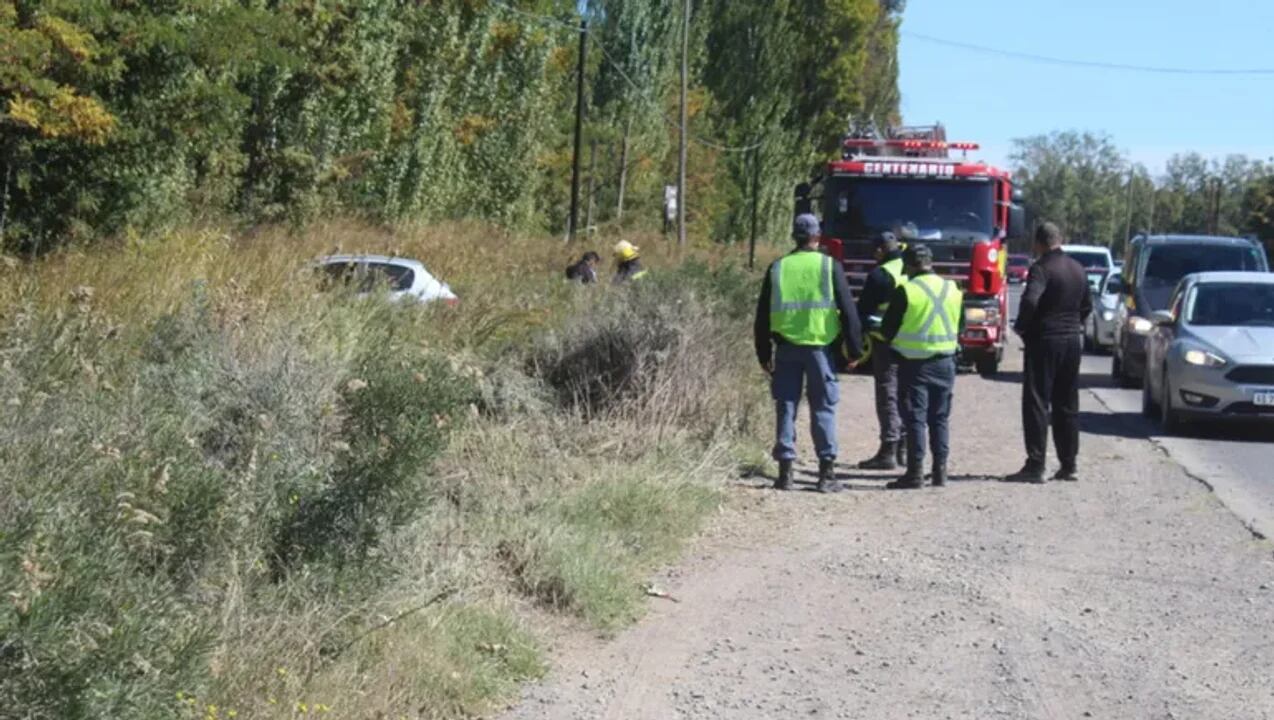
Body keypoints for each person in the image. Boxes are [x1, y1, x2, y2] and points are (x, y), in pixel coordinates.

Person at [754, 214, 864, 493]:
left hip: (786, 348)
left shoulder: (778, 267)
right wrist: (854, 349)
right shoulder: (829, 266)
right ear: (817, 236)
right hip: (819, 349)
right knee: (823, 408)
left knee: (786, 407)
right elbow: (849, 311)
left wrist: (763, 352)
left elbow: (763, 315)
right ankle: (826, 475)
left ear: (795, 236)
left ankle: (785, 474)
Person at [1008, 222, 1092, 483]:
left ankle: (1036, 465)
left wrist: (1022, 327)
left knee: (1036, 402)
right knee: (1067, 403)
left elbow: (1031, 299)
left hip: (1045, 340)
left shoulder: (1041, 268)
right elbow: (1087, 305)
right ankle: (1069, 464)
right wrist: (1073, 324)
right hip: (1071, 341)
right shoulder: (1078, 269)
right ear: (1060, 239)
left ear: (1039, 243)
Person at [879, 244, 962, 489]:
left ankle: (915, 472)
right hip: (946, 362)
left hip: (914, 365)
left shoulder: (906, 291)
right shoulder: (952, 288)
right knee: (940, 418)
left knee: (915, 417)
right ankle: (940, 472)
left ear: (911, 265)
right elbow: (962, 326)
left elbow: (887, 331)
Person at [855, 230, 907, 470]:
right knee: (908, 395)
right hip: (913, 343)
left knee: (888, 394)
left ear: (879, 250)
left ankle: (888, 450)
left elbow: (864, 311)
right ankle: (905, 449)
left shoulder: (880, 275)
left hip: (885, 341)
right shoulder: (911, 267)